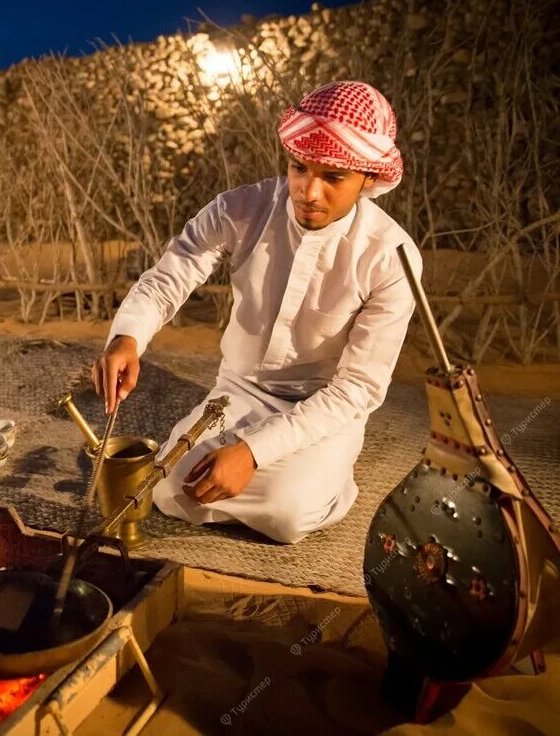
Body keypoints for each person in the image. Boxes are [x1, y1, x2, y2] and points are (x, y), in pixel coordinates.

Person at [91, 81, 422, 544]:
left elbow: (357, 389)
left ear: (369, 178)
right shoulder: (241, 209)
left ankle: (330, 477)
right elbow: (171, 276)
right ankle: (279, 477)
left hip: (324, 410)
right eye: (299, 168)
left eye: (333, 177)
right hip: (239, 391)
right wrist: (127, 337)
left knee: (287, 515)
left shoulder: (390, 256)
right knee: (168, 491)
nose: (309, 191)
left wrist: (253, 452)